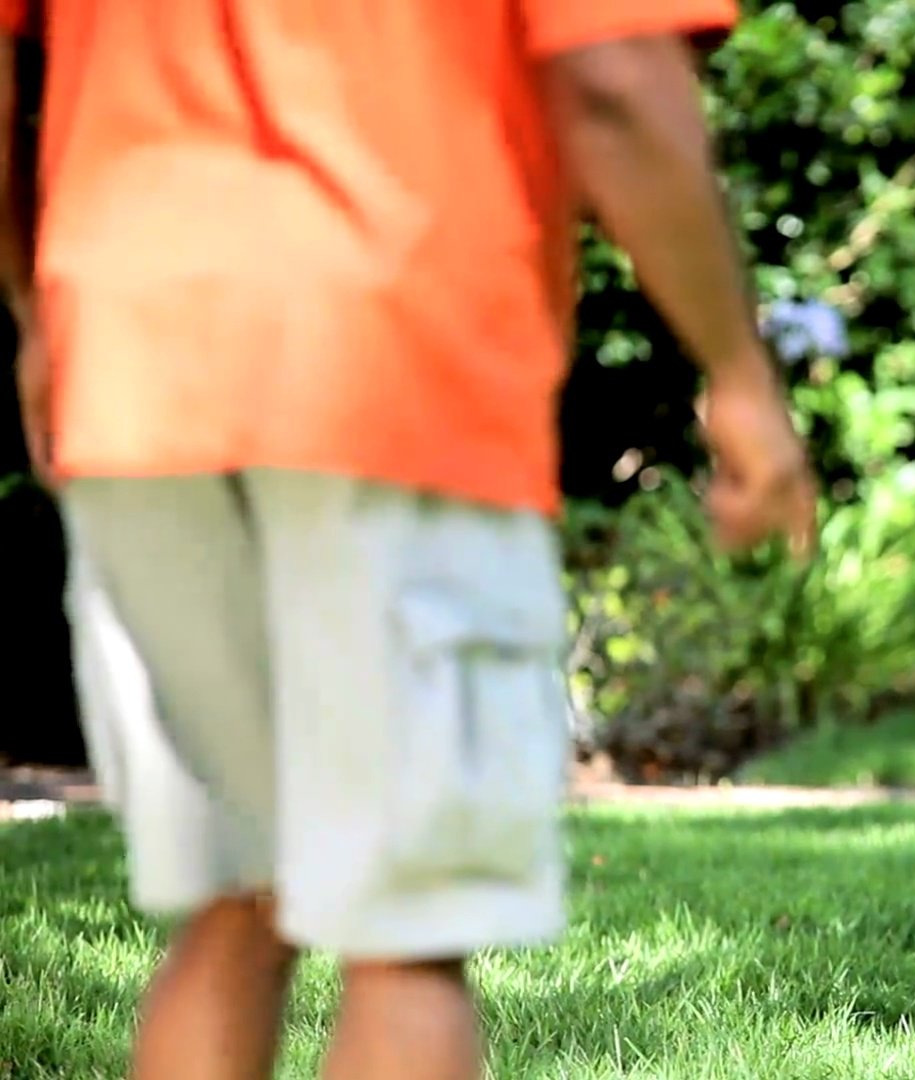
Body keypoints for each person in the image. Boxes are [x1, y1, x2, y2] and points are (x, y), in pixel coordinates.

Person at [0, 2, 816, 1078]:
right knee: (407, 946)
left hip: (136, 355)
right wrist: (742, 377)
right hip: (395, 360)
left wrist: (33, 305)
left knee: (238, 902)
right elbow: (614, 74)